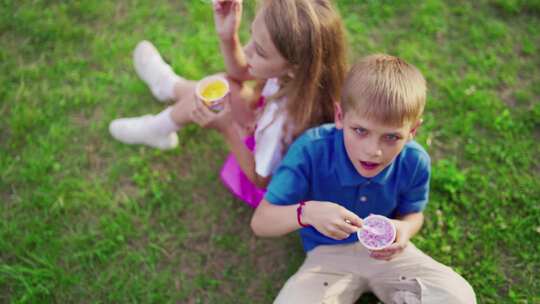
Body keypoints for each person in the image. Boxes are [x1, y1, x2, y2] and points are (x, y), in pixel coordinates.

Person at [251, 54, 477, 304]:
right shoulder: (310, 150)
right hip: (327, 257)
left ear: (412, 131)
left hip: (390, 256)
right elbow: (261, 222)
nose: (373, 151)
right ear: (340, 116)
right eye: (360, 131)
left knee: (458, 296)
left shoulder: (415, 160)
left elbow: (414, 213)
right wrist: (308, 213)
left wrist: (404, 229)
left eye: (391, 137)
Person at [108, 0, 347, 207]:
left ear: (296, 67)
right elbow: (241, 74)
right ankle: (170, 87)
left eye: (260, 51)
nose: (246, 49)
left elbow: (260, 178)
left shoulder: (286, 125)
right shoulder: (302, 77)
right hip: (259, 125)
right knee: (223, 84)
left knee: (215, 89)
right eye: (252, 36)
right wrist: (227, 35)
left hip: (259, 174)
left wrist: (227, 127)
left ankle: (157, 127)